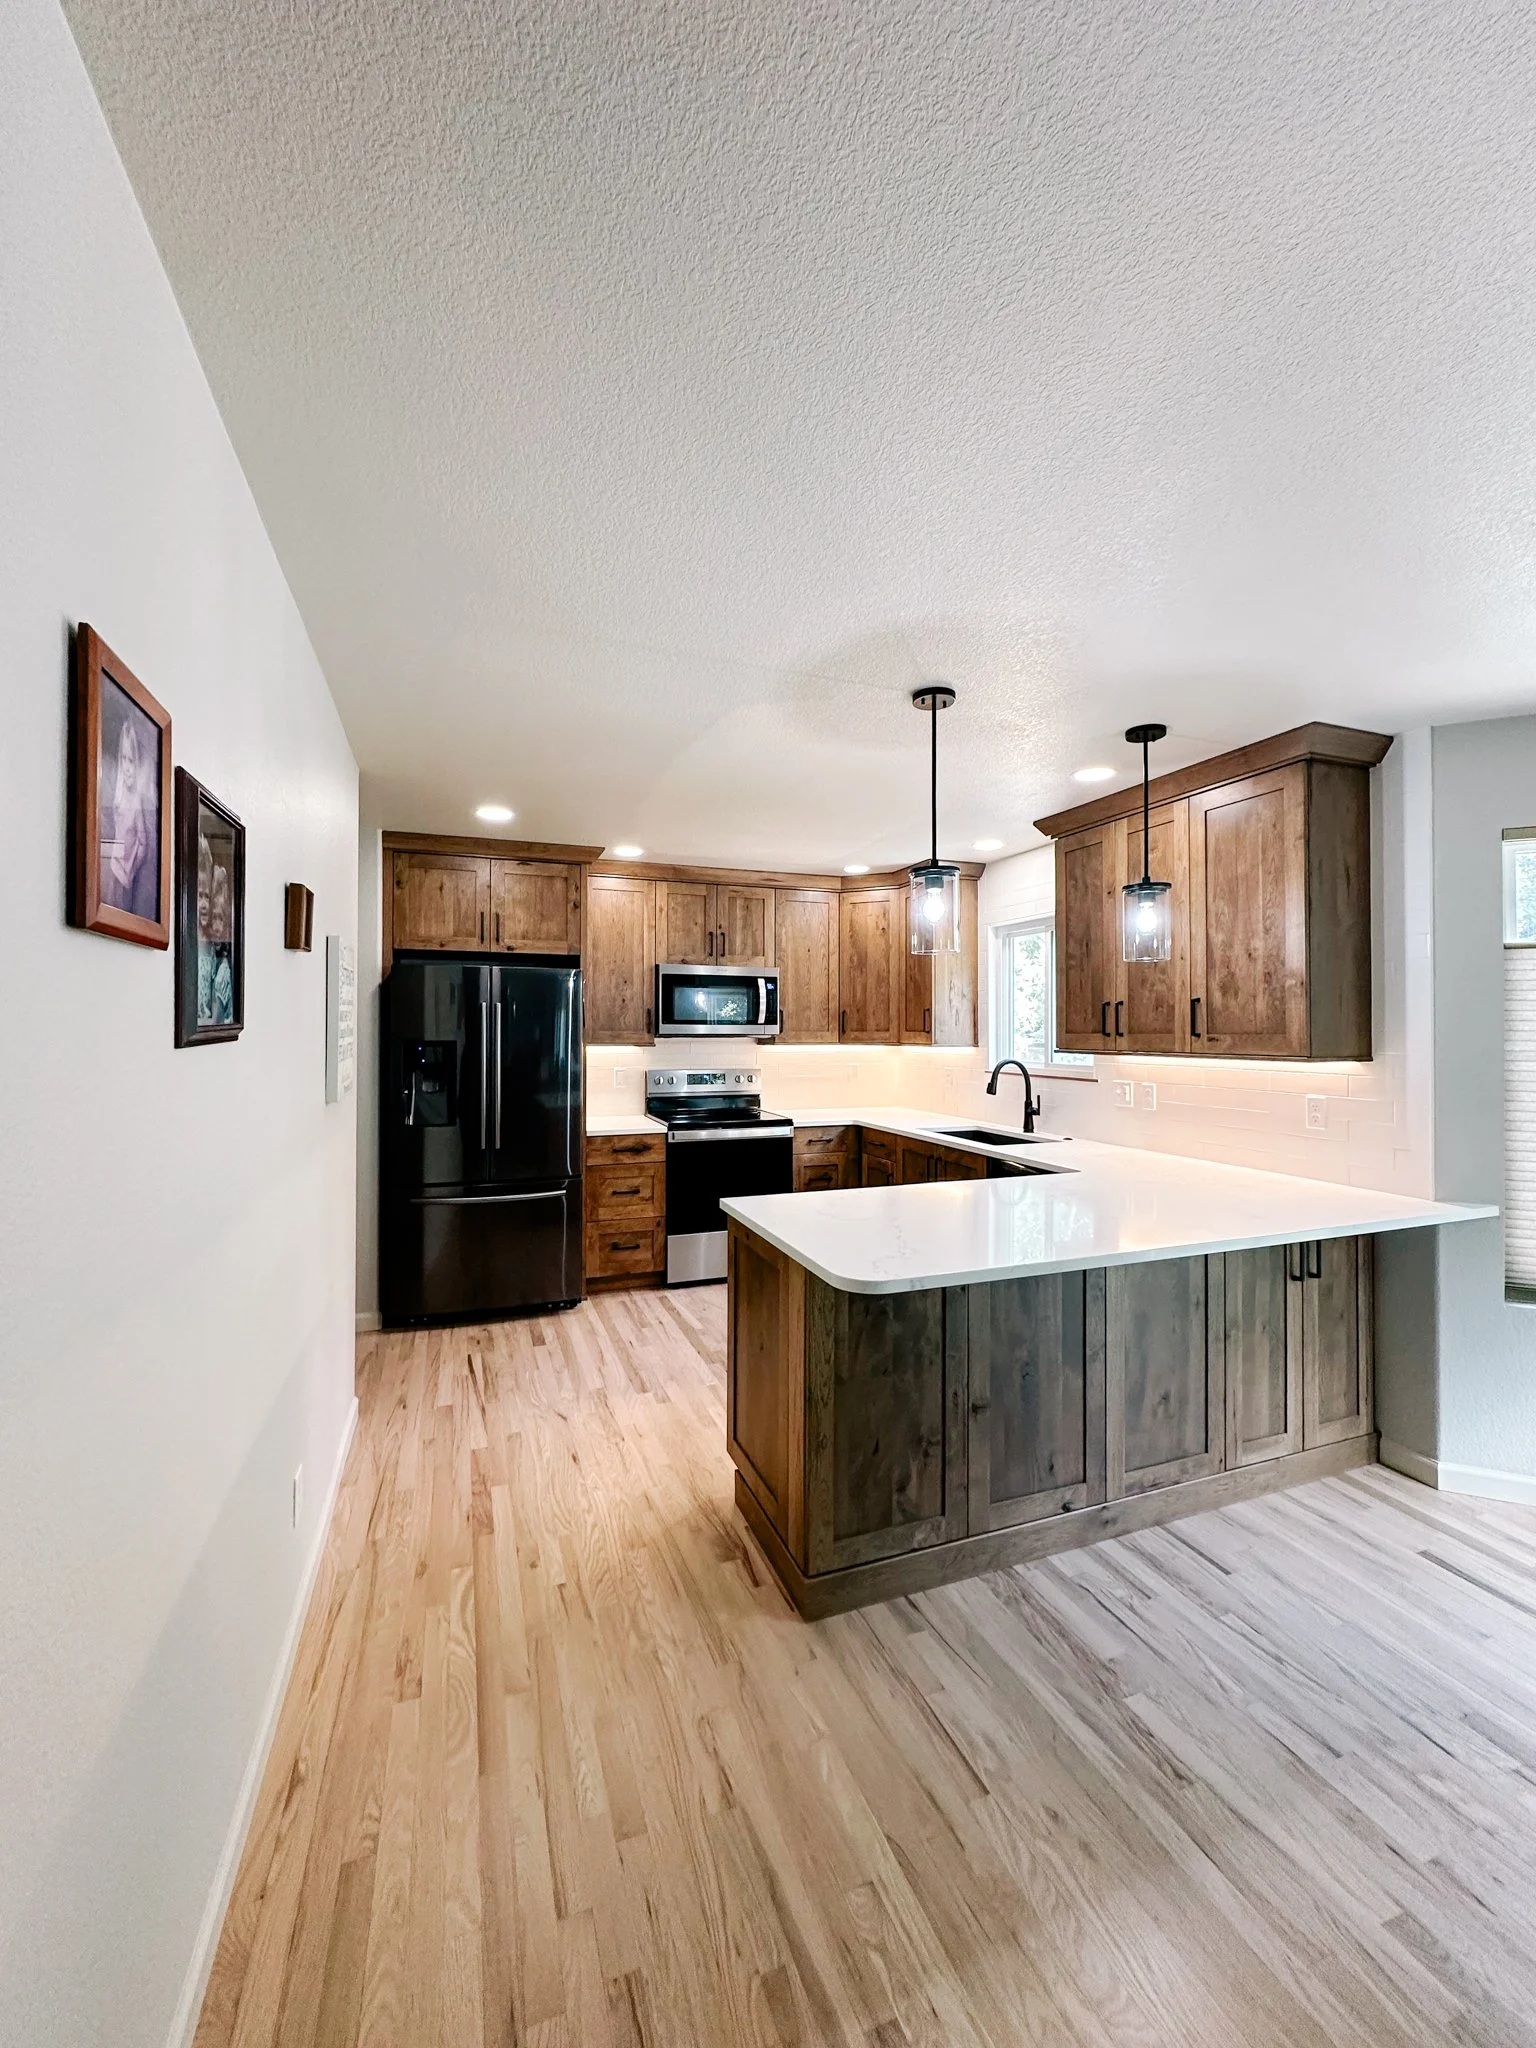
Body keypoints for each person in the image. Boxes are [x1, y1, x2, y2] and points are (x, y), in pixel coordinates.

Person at [103, 712, 157, 918]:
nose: (126, 768)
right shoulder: (119, 796)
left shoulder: (137, 803)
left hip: (125, 874)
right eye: (123, 759)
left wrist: (130, 868)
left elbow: (142, 842)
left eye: (131, 761)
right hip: (113, 868)